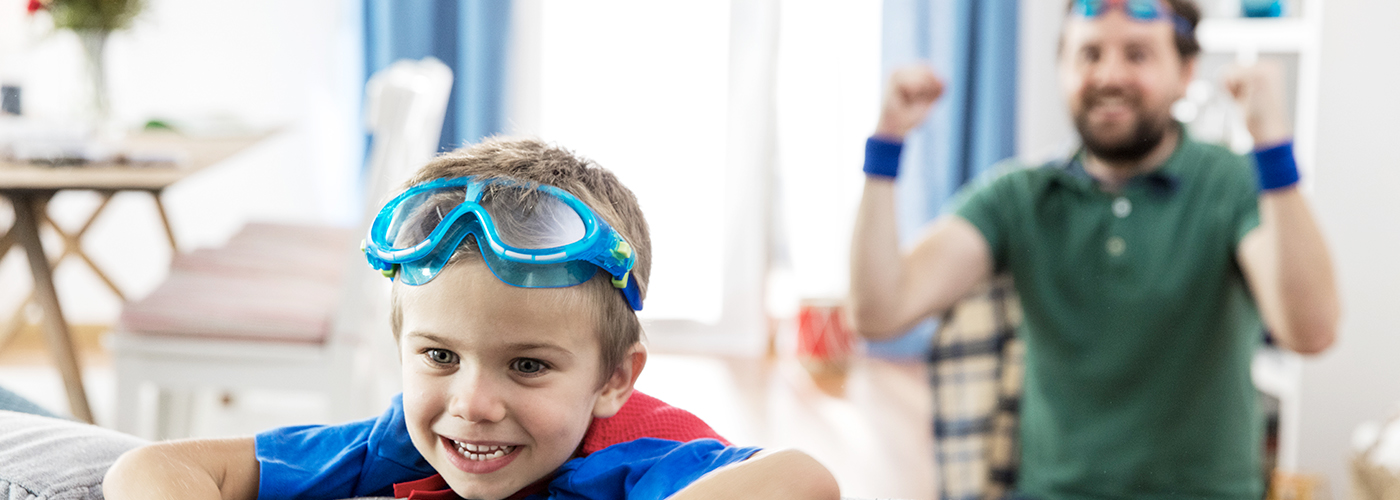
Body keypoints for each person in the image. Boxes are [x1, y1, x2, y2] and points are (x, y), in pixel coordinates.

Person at [104, 138, 839, 500]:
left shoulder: (625, 463)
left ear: (614, 377)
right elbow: (152, 468)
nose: (473, 404)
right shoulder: (403, 445)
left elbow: (805, 480)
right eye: (440, 357)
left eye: (527, 365)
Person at [848, 0, 1339, 498]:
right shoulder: (1020, 197)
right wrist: (887, 141)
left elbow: (1311, 331)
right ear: (1062, 69)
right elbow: (881, 312)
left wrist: (1272, 147)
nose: (1109, 75)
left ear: (1186, 72)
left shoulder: (1231, 184)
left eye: (1137, 54)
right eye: (1088, 54)